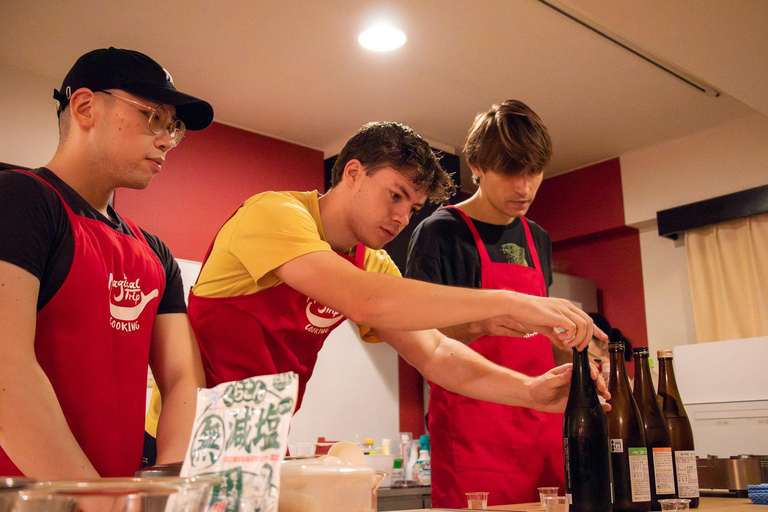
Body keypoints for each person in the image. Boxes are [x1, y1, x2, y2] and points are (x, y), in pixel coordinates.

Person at [146, 121, 607, 439]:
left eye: (412, 207)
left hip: (257, 437)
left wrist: (528, 391)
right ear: (352, 173)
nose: (402, 217)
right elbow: (366, 300)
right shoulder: (275, 212)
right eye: (395, 196)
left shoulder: (374, 261)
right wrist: (508, 302)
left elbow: (438, 354)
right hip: (182, 432)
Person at [0, 47, 212, 478]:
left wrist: (167, 492)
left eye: (174, 127)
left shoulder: (155, 252)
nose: (167, 139)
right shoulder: (21, 200)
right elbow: (6, 368)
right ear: (84, 106)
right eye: (154, 116)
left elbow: (182, 382)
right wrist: (97, 501)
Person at [404, 100, 563, 507]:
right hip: (473, 430)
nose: (524, 188)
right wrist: (483, 322)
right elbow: (420, 338)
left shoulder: (538, 238)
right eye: (511, 172)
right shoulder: (440, 232)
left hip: (543, 425)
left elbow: (540, 336)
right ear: (477, 165)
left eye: (534, 172)